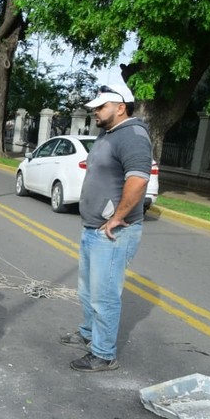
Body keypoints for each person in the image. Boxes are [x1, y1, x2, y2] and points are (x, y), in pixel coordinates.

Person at [61, 82, 153, 372]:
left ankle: (103, 354)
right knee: (88, 291)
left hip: (113, 232)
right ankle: (89, 334)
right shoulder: (108, 134)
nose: (96, 112)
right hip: (93, 228)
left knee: (104, 296)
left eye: (101, 107)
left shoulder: (133, 136)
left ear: (121, 107)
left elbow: (138, 179)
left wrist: (117, 216)